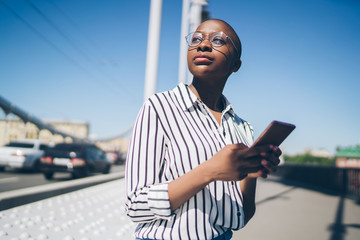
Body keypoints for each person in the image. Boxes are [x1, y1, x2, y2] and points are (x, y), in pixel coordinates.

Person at [125, 19, 282, 240]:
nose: (203, 45)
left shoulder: (243, 128)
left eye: (217, 40)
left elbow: (241, 217)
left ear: (236, 65)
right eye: (196, 39)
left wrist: (253, 173)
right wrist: (209, 172)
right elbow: (135, 205)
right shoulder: (159, 108)